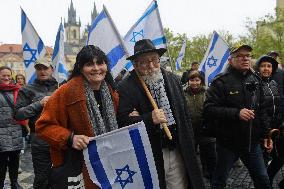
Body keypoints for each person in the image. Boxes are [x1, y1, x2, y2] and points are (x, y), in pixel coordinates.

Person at [117, 39, 205, 189]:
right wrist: (148, 118)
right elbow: (122, 122)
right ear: (135, 64)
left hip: (177, 148)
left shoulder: (172, 79)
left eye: (154, 60)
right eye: (144, 62)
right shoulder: (126, 86)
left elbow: (184, 115)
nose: (151, 66)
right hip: (150, 153)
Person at [35, 45, 119, 189]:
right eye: (89, 64)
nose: (96, 68)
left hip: (107, 160)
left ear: (106, 65)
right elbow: (42, 126)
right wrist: (70, 138)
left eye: (100, 63)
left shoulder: (111, 91)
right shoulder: (66, 91)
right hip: (76, 165)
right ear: (80, 68)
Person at [204, 44, 273, 189]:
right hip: (227, 144)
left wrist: (267, 135)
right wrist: (237, 113)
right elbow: (209, 109)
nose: (245, 58)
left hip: (252, 144)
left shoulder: (256, 79)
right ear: (230, 60)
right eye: (240, 56)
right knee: (219, 181)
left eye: (248, 55)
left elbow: (262, 110)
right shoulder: (220, 81)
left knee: (263, 180)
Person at [15, 58, 58, 189]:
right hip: (39, 139)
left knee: (60, 176)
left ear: (52, 69)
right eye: (39, 68)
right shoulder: (27, 89)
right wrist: (39, 104)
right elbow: (18, 114)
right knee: (42, 178)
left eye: (45, 68)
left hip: (60, 138)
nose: (42, 71)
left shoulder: (62, 87)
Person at [256, 55, 284, 188]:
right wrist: (266, 132)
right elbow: (259, 111)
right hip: (263, 132)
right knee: (262, 164)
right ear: (258, 68)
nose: (266, 68)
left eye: (269, 66)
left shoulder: (273, 83)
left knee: (280, 158)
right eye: (263, 66)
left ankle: (269, 180)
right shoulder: (255, 84)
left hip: (276, 129)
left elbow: (279, 104)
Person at [184, 70, 216, 180]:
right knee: (191, 156)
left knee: (209, 156)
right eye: (192, 80)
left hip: (206, 130)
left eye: (197, 80)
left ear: (201, 81)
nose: (194, 83)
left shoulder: (208, 92)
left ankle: (210, 176)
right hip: (190, 130)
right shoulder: (183, 93)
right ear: (188, 81)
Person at [0, 66, 23, 189]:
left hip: (15, 130)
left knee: (15, 160)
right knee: (1, 161)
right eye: (3, 75)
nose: (6, 77)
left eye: (8, 75)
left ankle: (14, 182)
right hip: (1, 132)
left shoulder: (17, 90)